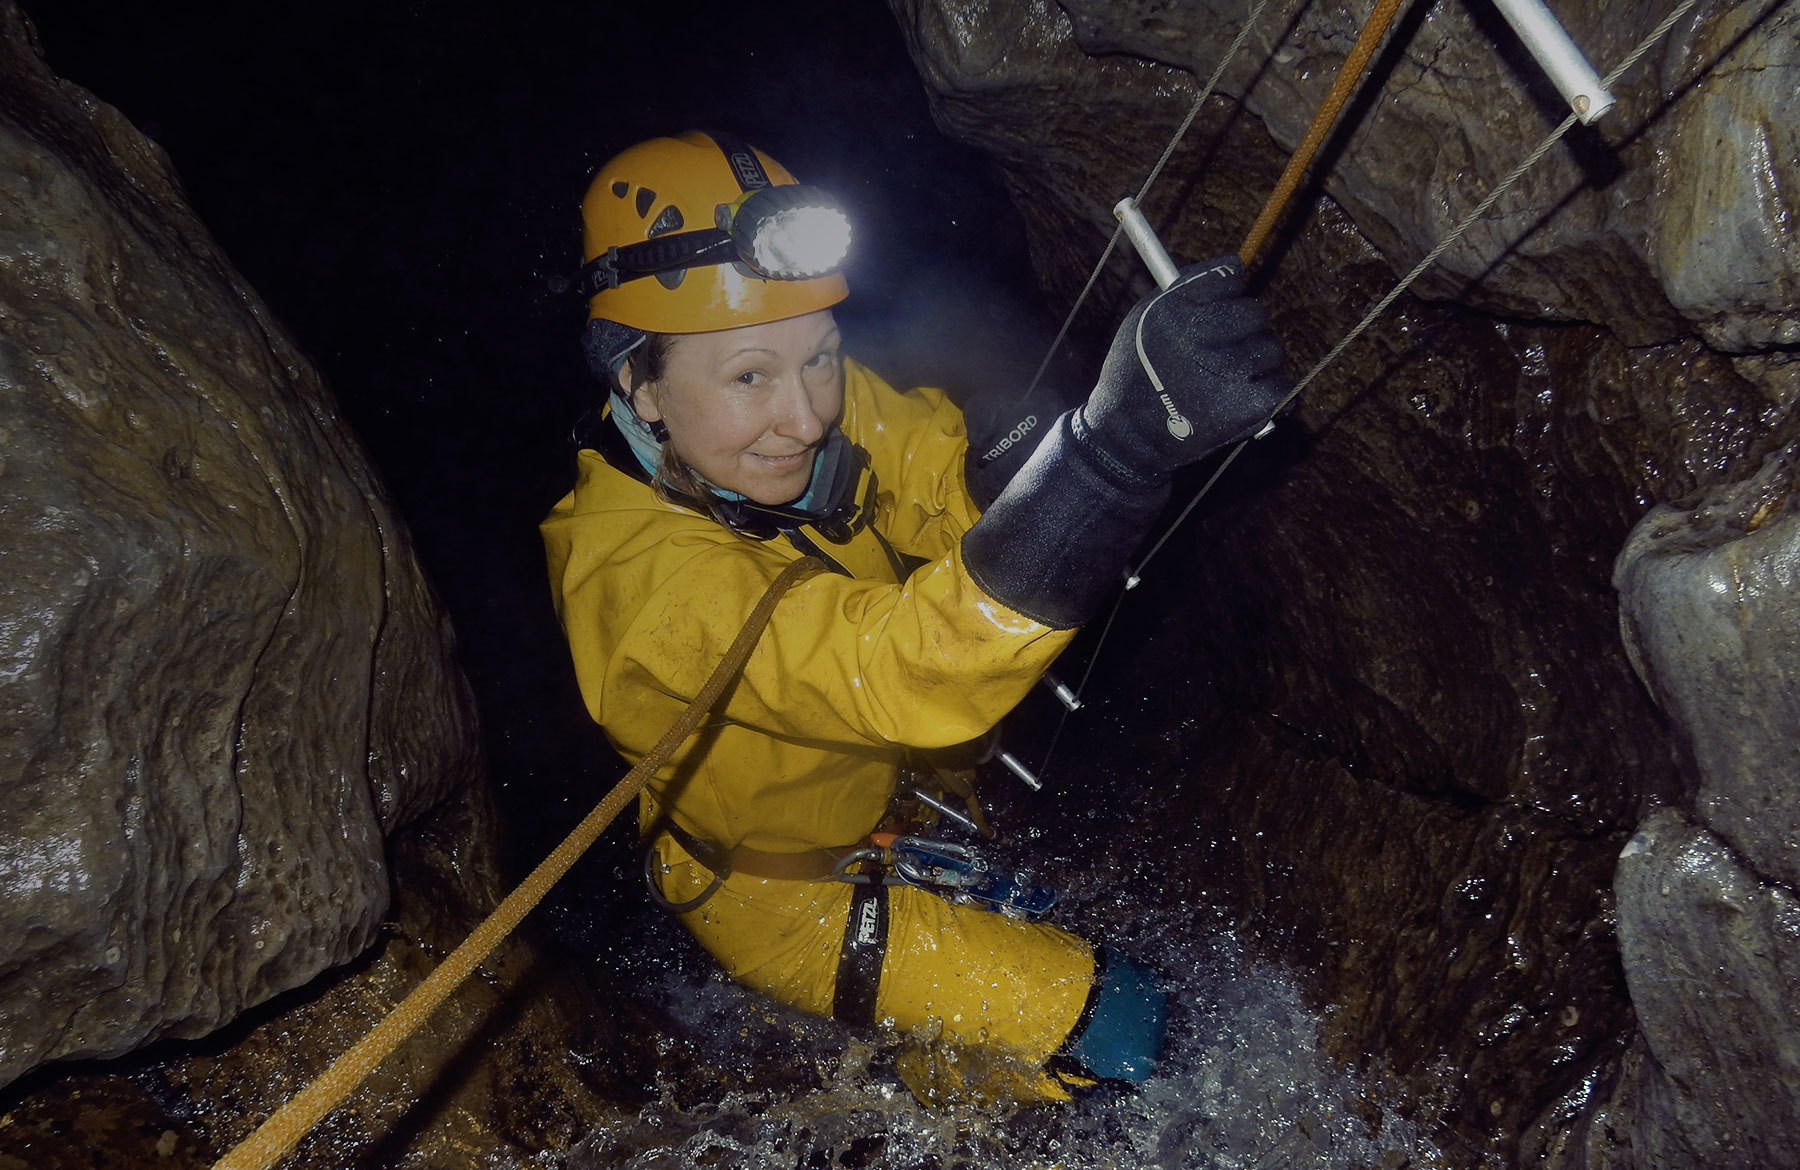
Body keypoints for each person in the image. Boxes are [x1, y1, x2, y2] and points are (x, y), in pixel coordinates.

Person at [541, 130, 1290, 1105]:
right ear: (637, 384)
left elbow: (939, 477)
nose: (807, 418)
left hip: (876, 815)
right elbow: (899, 672)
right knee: (1128, 1030)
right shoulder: (640, 583)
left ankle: (933, 1068)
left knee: (1064, 955)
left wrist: (1054, 465)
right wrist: (1111, 458)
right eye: (747, 377)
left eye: (818, 358)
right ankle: (940, 1101)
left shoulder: (813, 419)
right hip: (783, 898)